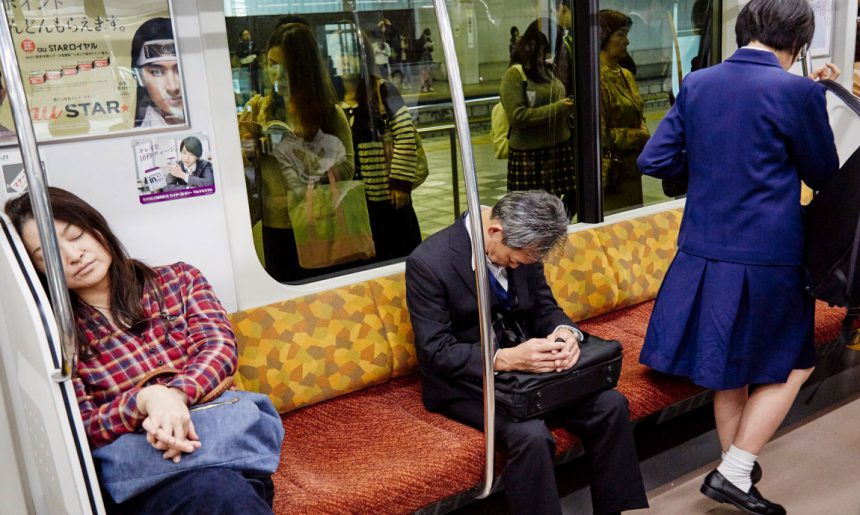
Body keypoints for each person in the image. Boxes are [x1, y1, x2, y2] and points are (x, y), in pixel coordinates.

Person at [637, 1, 839, 513]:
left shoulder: (699, 82)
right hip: (769, 257)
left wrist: (709, 170)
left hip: (702, 254)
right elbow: (823, 174)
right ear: (796, 39)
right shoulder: (797, 92)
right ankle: (733, 469)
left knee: (731, 366)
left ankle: (737, 470)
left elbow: (655, 159)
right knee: (790, 364)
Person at [4, 187, 276, 514]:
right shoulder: (57, 333)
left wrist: (173, 396)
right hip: (147, 478)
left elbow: (219, 349)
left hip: (226, 451)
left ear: (96, 227)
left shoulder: (180, 280)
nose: (72, 255)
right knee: (222, 493)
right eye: (47, 254)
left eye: (75, 235)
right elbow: (83, 423)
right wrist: (144, 401)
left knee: (224, 490)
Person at [405, 190, 648, 515]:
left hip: (526, 374)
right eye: (515, 261)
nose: (518, 266)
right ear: (494, 232)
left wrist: (565, 333)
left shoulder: (525, 248)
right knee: (531, 436)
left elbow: (544, 309)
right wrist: (504, 358)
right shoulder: (429, 263)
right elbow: (435, 351)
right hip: (465, 380)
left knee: (610, 404)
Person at [244, 23, 356, 282]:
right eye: (271, 64)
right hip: (273, 224)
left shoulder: (327, 111)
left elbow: (348, 166)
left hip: (318, 220)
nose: (277, 75)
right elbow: (237, 165)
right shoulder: (258, 108)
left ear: (304, 68)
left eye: (286, 67)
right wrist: (248, 151)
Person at [340, 36, 423, 263]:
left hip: (386, 199)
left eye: (352, 54)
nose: (345, 60)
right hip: (350, 203)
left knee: (395, 256)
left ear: (363, 58)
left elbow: (405, 134)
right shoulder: (331, 97)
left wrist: (400, 184)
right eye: (340, 54)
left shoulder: (383, 90)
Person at [502, 19, 576, 217]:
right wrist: (559, 107)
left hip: (557, 147)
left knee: (561, 205)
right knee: (532, 213)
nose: (545, 56)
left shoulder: (548, 70)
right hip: (530, 155)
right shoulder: (515, 75)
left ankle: (556, 233)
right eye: (542, 50)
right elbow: (518, 117)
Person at [598, 10, 649, 213]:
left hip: (632, 170)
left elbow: (639, 114)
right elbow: (598, 136)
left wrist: (642, 131)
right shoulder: (595, 79)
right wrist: (637, 136)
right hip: (611, 175)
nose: (626, 41)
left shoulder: (626, 75)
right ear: (603, 38)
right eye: (621, 35)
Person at [131, 18, 185, 128]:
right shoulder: (138, 137)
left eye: (179, 70)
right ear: (139, 77)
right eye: (157, 72)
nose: (173, 87)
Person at [552, 0, 573, 96]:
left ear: (563, 9)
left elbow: (563, 81)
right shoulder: (589, 36)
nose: (557, 16)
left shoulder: (567, 41)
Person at [417, 28, 434, 93]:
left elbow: (432, 50)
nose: (427, 37)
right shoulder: (419, 41)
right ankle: (423, 86)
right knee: (422, 73)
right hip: (422, 58)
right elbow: (417, 50)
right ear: (424, 34)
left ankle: (430, 86)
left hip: (428, 58)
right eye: (426, 35)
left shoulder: (429, 40)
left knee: (430, 72)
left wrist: (430, 46)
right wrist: (424, 46)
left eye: (428, 35)